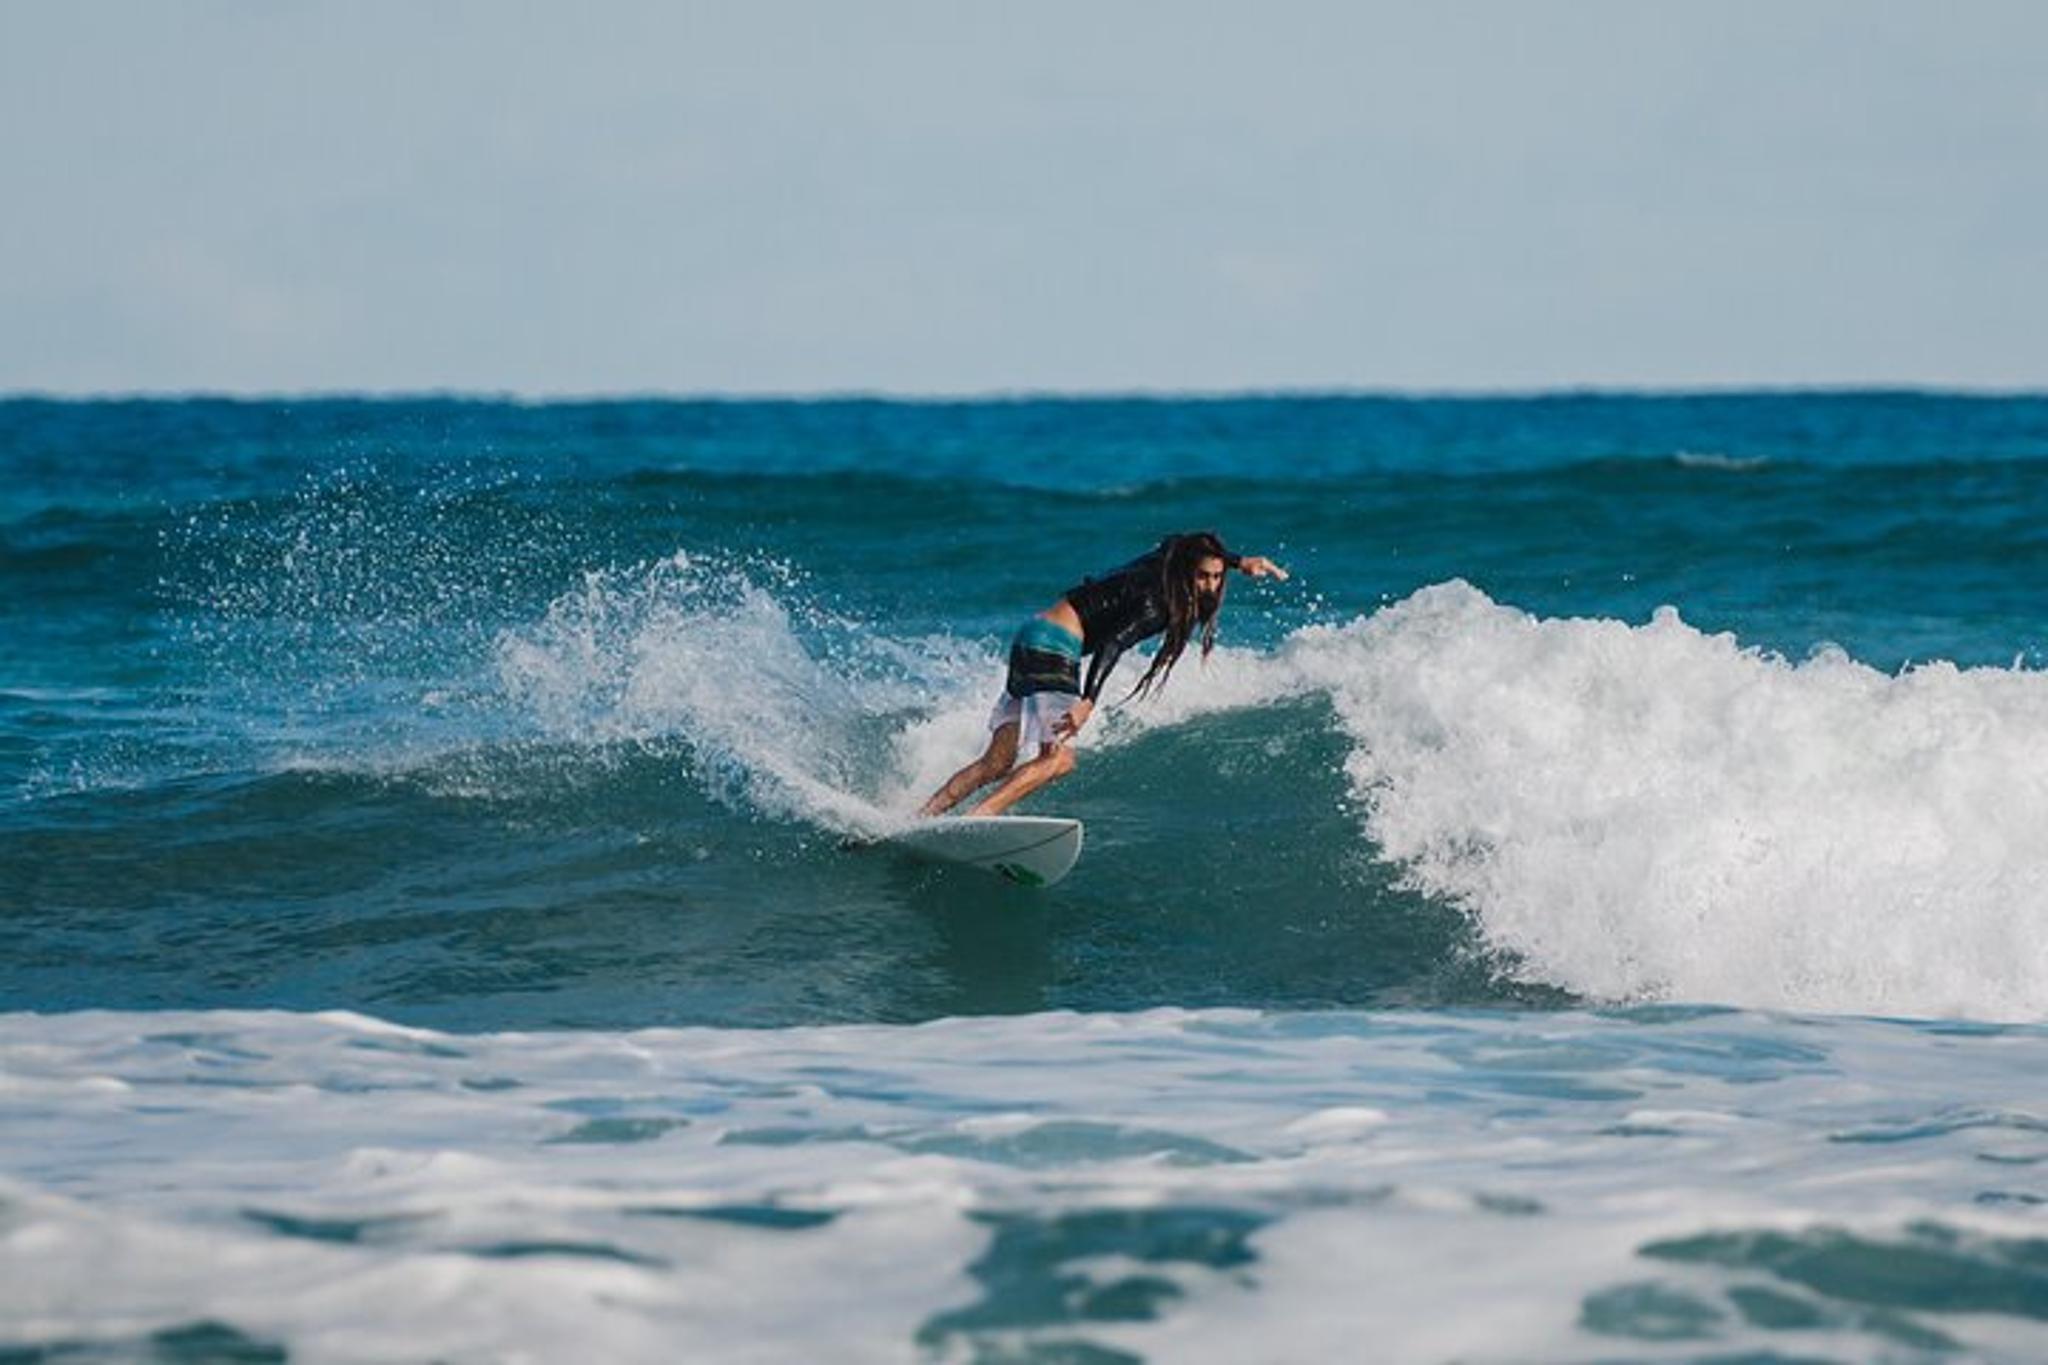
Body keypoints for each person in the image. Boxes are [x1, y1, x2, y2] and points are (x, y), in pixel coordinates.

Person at [919, 531, 1289, 818]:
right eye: (1203, 577)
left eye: (1217, 577)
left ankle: (921, 818)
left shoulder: (1163, 559)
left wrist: (1239, 562)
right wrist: (1087, 701)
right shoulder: (1158, 603)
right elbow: (1114, 644)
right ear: (1186, 572)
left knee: (996, 763)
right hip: (1055, 647)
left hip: (1030, 636)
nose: (1210, 586)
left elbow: (1179, 540)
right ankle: (981, 818)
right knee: (1059, 760)